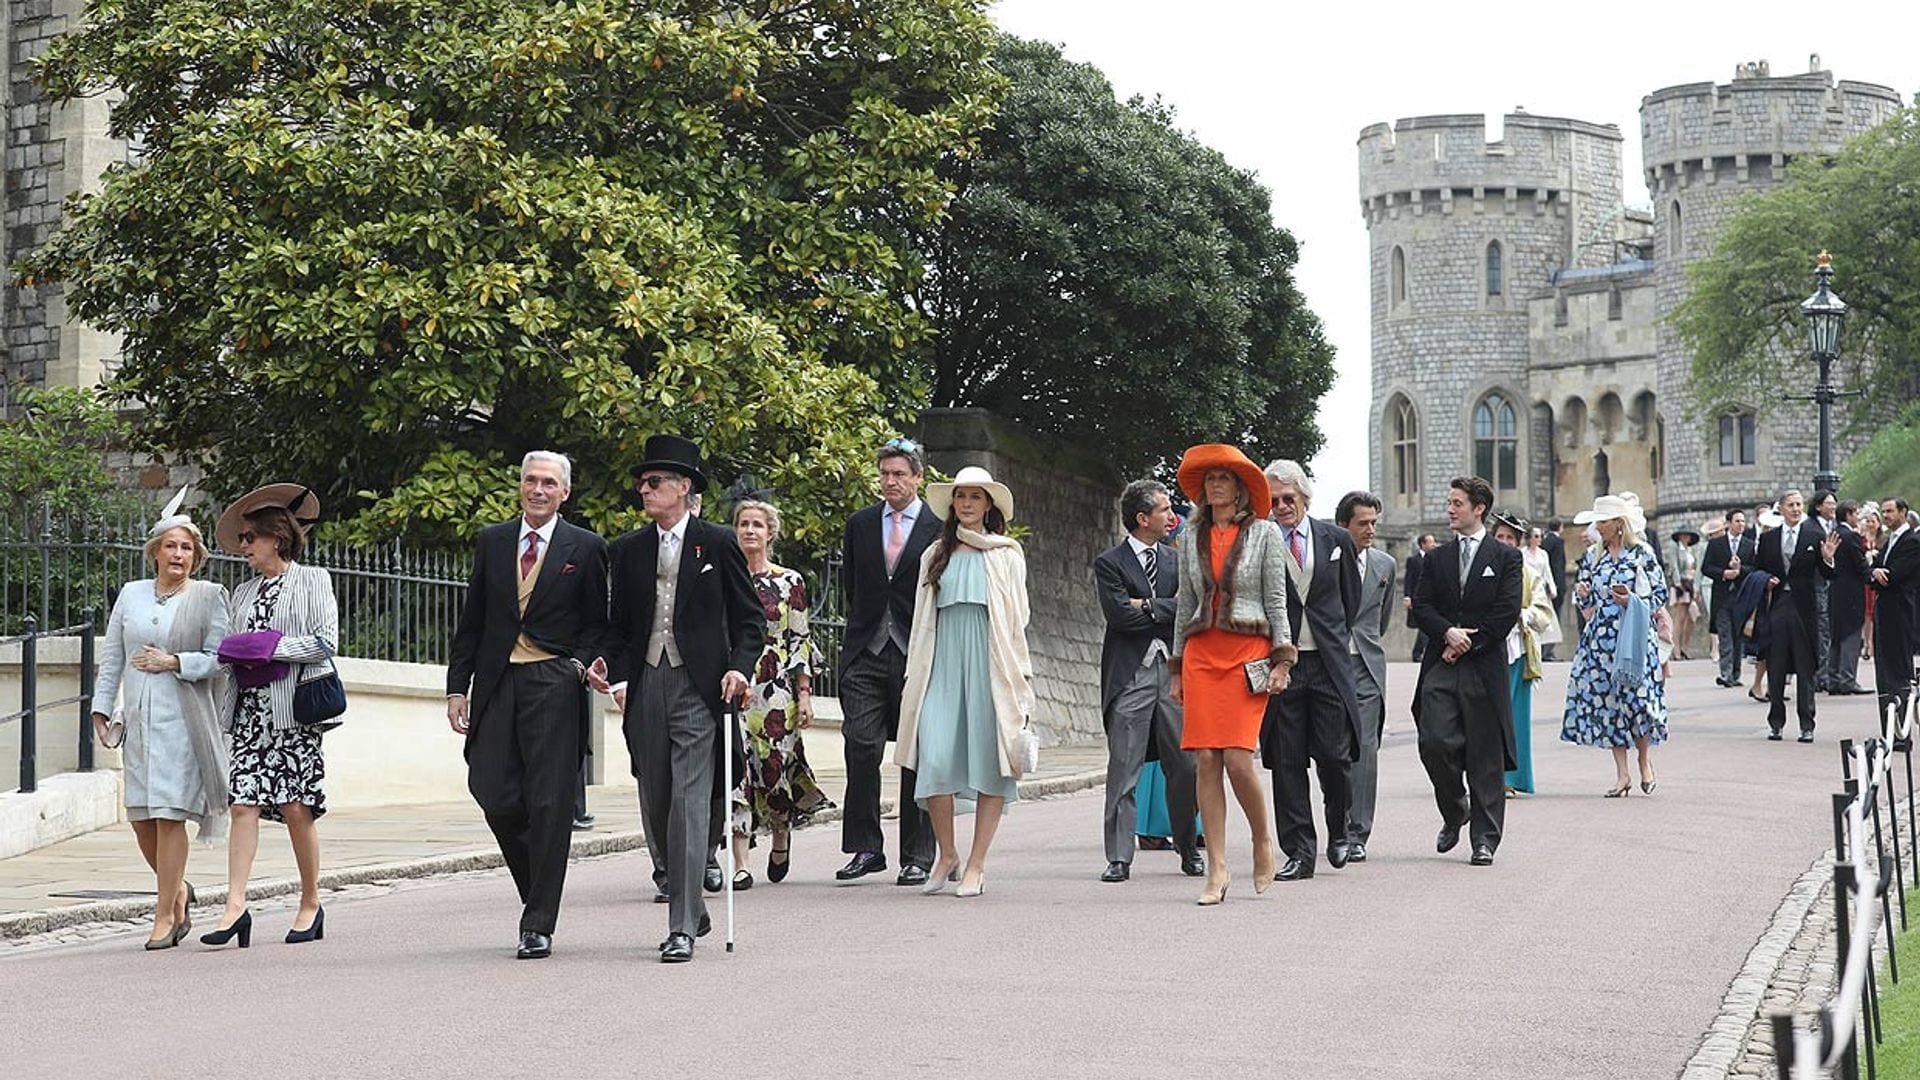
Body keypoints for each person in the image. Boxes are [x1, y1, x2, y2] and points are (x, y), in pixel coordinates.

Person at [597, 434, 761, 963]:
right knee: (657, 801)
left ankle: (681, 926)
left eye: (655, 482)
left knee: (690, 805)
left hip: (699, 687)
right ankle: (691, 898)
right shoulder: (626, 550)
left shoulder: (716, 544)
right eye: (642, 483)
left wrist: (738, 668)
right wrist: (619, 679)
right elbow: (617, 627)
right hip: (645, 683)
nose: (644, 490)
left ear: (683, 487)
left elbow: (750, 620)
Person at [443, 453, 608, 960]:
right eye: (531, 481)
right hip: (497, 681)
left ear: (565, 493)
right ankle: (536, 887)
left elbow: (598, 622)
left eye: (549, 483)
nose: (538, 490)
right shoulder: (493, 541)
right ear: (520, 487)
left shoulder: (587, 546)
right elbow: (472, 619)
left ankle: (538, 922)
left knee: (549, 803)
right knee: (492, 790)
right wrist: (457, 687)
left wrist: (578, 666)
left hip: (553, 682)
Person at [89, 490, 230, 950]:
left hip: (185, 724)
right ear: (155, 551)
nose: (179, 554)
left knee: (170, 815)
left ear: (197, 556)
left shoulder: (209, 598)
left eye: (187, 548)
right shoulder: (131, 595)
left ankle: (164, 913)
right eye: (171, 546)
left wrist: (175, 662)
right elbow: (113, 657)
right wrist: (101, 705)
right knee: (142, 820)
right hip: (139, 724)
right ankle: (181, 891)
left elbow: (220, 660)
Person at [201, 485, 339, 949]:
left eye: (249, 538)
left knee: (297, 809)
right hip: (249, 712)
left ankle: (310, 902)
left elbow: (324, 643)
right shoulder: (241, 593)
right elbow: (228, 650)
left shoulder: (313, 580)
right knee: (242, 805)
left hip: (292, 713)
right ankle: (235, 906)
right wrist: (237, 653)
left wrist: (268, 648)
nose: (243, 547)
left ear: (276, 538)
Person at [891, 466, 1034, 899]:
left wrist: (1018, 678)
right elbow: (920, 620)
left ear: (989, 505)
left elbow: (1018, 619)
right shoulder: (935, 553)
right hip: (941, 663)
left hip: (991, 665)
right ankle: (947, 854)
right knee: (932, 756)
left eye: (975, 496)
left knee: (991, 761)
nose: (967, 504)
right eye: (961, 497)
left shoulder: (1006, 554)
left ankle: (977, 864)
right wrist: (916, 672)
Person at [1169, 445, 1293, 904]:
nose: (1215, 485)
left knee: (1239, 760)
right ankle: (1217, 868)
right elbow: (1184, 603)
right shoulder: (1190, 535)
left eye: (1224, 478)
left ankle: (1263, 841)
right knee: (1205, 759)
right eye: (1210, 479)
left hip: (1247, 652)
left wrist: (1283, 659)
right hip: (1202, 652)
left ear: (1240, 488)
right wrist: (1177, 667)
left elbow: (1276, 600)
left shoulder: (1264, 534)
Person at [835, 438, 940, 886]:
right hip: (867, 652)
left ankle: (917, 855)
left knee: (915, 755)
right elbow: (851, 585)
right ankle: (865, 847)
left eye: (899, 473)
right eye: (884, 474)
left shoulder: (938, 527)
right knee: (860, 744)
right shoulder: (860, 524)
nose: (891, 481)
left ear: (918, 477)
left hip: (916, 651)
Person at [1410, 476, 1521, 866]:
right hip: (1441, 664)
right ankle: (1456, 810)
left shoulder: (1506, 557)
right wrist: (1447, 633)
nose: (1450, 509)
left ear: (1479, 509)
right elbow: (1421, 606)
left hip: (1484, 666)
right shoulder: (1435, 558)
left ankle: (1485, 839)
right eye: (1449, 502)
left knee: (1485, 754)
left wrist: (1470, 642)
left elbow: (1506, 612)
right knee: (1434, 741)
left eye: (1457, 503)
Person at [1094, 478, 1200, 882]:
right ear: (1142, 518)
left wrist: (1146, 605)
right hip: (1129, 676)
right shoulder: (1110, 563)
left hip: (1175, 673)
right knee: (1124, 767)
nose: (1173, 516)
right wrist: (1162, 608)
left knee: (1186, 766)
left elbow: (1192, 608)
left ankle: (1189, 849)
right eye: (1164, 510)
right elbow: (1119, 615)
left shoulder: (1177, 561)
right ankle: (1119, 857)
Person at [725, 498, 835, 887]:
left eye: (757, 524)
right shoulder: (724, 576)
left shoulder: (790, 582)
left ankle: (780, 834)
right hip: (733, 683)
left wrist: (804, 695)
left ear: (770, 533)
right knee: (735, 771)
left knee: (773, 769)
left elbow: (800, 639)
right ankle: (740, 861)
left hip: (776, 688)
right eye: (743, 524)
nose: (750, 531)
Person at [1261, 459, 1361, 883]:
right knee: (1286, 761)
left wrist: (1329, 637)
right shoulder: (1262, 541)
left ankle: (1340, 828)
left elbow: (1349, 600)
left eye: (1289, 498)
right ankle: (1299, 851)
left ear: (1304, 498)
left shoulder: (1336, 539)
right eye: (1274, 500)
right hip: (1283, 666)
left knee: (1335, 757)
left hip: (1327, 664)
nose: (1282, 506)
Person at [1556, 496, 1665, 796]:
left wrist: (1632, 600)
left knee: (1640, 702)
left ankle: (1644, 761)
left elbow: (1659, 594)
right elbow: (1586, 599)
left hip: (1635, 637)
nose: (1598, 527)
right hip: (1601, 639)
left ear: (1618, 523)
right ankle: (1622, 774)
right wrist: (1583, 593)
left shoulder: (1642, 553)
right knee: (1610, 705)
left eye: (1602, 521)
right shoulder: (1593, 555)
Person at [1756, 490, 1839, 742]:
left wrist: (1828, 559)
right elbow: (1757, 570)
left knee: (1805, 667)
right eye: (1790, 505)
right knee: (1777, 665)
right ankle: (1776, 723)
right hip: (1778, 606)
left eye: (1799, 505)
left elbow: (1827, 575)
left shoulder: (1814, 536)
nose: (1795, 509)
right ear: (1780, 508)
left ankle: (1807, 724)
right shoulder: (1769, 540)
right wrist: (1764, 580)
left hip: (1804, 608)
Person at [1337, 490, 1394, 861]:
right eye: (1363, 523)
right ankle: (1334, 825)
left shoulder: (1385, 565)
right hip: (1331, 665)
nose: (1370, 530)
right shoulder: (1325, 561)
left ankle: (1357, 832)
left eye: (1374, 522)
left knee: (1366, 750)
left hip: (1368, 667)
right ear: (1344, 525)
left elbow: (1382, 620)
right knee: (1333, 750)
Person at [1491, 512, 1548, 796]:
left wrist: (1520, 615)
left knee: (1514, 716)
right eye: (1499, 537)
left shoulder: (1529, 572)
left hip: (1517, 648)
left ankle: (1511, 777)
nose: (1504, 543)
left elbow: (1543, 612)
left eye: (1509, 538)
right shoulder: (1481, 568)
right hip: (1487, 648)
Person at [1871, 497, 1917, 733]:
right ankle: (1888, 729)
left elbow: (1892, 576)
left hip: (1900, 614)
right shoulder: (1889, 541)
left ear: (1903, 512)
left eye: (1890, 511)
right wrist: (1875, 572)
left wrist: (1878, 574)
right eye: (1883, 511)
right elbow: (1874, 570)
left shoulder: (1912, 541)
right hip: (1884, 613)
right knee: (1884, 673)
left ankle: (1900, 730)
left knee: (1898, 673)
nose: (1886, 515)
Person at [1702, 509, 1758, 688]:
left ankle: (1735, 673)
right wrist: (1724, 573)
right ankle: (1725, 674)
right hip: (1722, 597)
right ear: (1728, 524)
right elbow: (1706, 567)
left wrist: (1740, 570)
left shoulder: (1749, 545)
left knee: (1737, 636)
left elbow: (1755, 568)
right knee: (1725, 635)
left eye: (1743, 521)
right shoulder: (1716, 544)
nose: (1741, 524)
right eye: (1737, 521)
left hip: (1741, 596)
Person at [1826, 500, 1870, 695]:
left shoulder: (1834, 533)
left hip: (1835, 590)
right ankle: (1848, 678)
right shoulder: (1851, 536)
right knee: (1851, 634)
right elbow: (1859, 565)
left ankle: (1833, 678)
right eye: (1856, 513)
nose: (1858, 517)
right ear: (1849, 514)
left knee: (1836, 635)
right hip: (1851, 591)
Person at [1809, 490, 1838, 690]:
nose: (1833, 506)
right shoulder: (1811, 528)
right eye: (1829, 503)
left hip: (1828, 585)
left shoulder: (1832, 527)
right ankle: (1820, 675)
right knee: (1820, 632)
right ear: (1818, 506)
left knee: (1824, 631)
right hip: (1814, 586)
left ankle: (1823, 673)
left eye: (1834, 503)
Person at [1523, 526, 1562, 661]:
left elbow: (1547, 571)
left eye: (1540, 536)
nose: (1539, 539)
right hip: (1528, 588)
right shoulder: (1523, 553)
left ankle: (1544, 651)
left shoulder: (1543, 554)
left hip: (1541, 588)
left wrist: (1552, 588)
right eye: (1536, 536)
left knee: (1546, 619)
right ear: (1529, 538)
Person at [1667, 525, 1701, 660]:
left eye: (1688, 535)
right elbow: (1674, 566)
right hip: (1681, 584)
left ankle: (1686, 647)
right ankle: (1676, 649)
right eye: (1684, 535)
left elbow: (1697, 569)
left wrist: (1696, 587)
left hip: (1692, 584)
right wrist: (1677, 584)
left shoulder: (1692, 550)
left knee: (1692, 616)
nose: (1686, 537)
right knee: (1680, 617)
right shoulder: (1675, 549)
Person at [1403, 534, 1435, 662]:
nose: (1434, 545)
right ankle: (1422, 652)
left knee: (1424, 625)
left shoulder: (1435, 558)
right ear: (1423, 544)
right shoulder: (1413, 560)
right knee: (1423, 626)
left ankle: (1417, 652)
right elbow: (1408, 579)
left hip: (1430, 599)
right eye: (1431, 542)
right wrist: (1407, 596)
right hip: (1417, 598)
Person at [1542, 518, 1570, 658]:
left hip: (1545, 586)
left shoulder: (1546, 540)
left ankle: (1546, 650)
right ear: (1560, 527)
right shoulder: (1557, 542)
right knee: (1554, 617)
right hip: (1555, 585)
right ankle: (1548, 651)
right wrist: (1559, 586)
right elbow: (1558, 566)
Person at [1859, 505, 1882, 663]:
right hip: (1865, 580)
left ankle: (1873, 643)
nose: (1870, 524)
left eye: (1873, 521)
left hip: (1878, 578)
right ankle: (1866, 643)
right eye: (1868, 521)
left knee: (1874, 613)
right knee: (1866, 613)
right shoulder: (1862, 538)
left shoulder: (1884, 539)